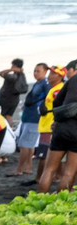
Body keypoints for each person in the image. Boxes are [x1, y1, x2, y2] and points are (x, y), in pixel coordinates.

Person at [36, 60, 77, 193]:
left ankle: (39, 202)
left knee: (49, 170)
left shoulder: (73, 79)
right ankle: (59, 204)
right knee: (69, 173)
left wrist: (56, 120)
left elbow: (57, 101)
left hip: (62, 127)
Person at [34, 65, 67, 187]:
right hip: (48, 125)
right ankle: (56, 177)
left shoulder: (58, 89)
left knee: (45, 155)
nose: (49, 76)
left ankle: (40, 178)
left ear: (59, 76)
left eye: (53, 74)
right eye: (49, 73)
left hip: (50, 126)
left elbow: (61, 107)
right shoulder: (54, 89)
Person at [15, 64, 50, 176]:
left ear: (45, 72)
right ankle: (28, 167)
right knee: (29, 144)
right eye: (34, 71)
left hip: (34, 118)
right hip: (28, 116)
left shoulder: (45, 83)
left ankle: (19, 169)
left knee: (24, 144)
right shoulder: (38, 83)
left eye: (38, 71)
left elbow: (48, 99)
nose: (35, 73)